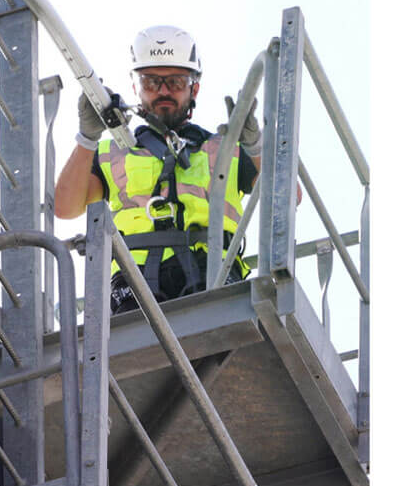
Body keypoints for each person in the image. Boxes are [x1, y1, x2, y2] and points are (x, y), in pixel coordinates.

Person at [55, 25, 284, 315]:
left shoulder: (226, 148)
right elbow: (64, 207)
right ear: (135, 86)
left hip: (213, 271)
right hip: (133, 283)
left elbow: (290, 196)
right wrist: (86, 138)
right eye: (151, 82)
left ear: (194, 88)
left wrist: (255, 145)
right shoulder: (110, 152)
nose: (163, 91)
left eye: (175, 82)